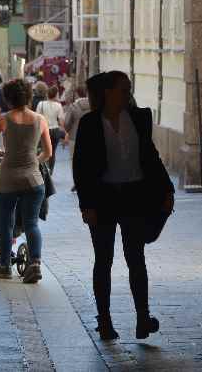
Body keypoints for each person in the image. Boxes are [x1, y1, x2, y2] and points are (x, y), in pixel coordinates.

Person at [72, 71, 175, 342]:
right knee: (103, 260)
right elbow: (80, 167)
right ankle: (104, 321)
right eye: (123, 88)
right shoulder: (90, 123)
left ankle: (143, 318)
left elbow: (150, 156)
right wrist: (86, 204)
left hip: (134, 197)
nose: (128, 92)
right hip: (103, 197)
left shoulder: (140, 118)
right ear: (108, 92)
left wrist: (167, 189)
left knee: (136, 259)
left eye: (128, 87)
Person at [0, 79, 53, 283]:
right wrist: (32, 161)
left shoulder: (3, 119)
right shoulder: (40, 120)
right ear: (28, 96)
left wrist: (2, 152)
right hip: (33, 179)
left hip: (8, 179)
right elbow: (48, 152)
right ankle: (35, 263)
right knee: (31, 224)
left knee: (6, 223)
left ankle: (5, 266)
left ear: (8, 98)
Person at [35, 86, 65, 174]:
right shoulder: (58, 105)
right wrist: (64, 133)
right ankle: (50, 171)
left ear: (47, 94)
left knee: (43, 151)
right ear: (56, 95)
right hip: (55, 131)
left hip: (44, 130)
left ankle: (43, 170)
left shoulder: (41, 104)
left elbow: (37, 118)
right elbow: (61, 120)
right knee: (52, 152)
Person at [62, 85, 90, 163]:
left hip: (74, 138)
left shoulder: (73, 107)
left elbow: (66, 124)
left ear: (77, 94)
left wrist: (68, 131)